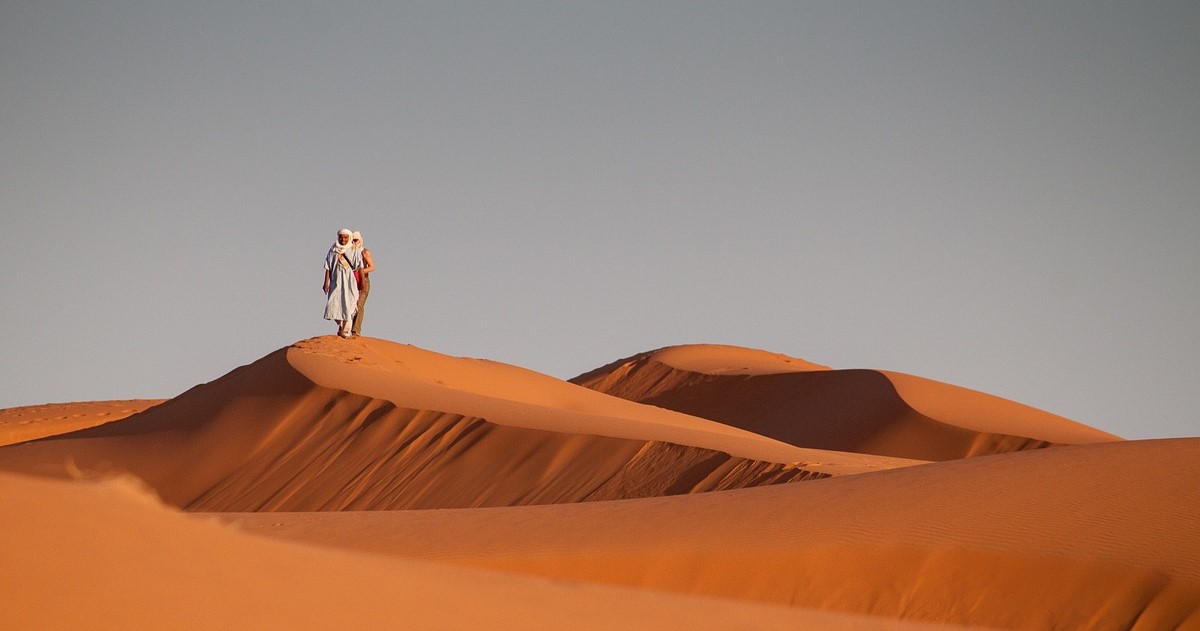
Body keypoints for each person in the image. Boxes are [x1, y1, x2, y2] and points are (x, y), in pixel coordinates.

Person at [323, 228, 361, 338]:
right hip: (336, 282)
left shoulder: (354, 250)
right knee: (334, 303)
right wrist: (326, 283)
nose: (343, 239)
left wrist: (362, 282)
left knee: (350, 304)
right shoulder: (333, 250)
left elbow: (360, 267)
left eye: (345, 237)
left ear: (349, 238)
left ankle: (346, 331)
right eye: (341, 237)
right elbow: (328, 267)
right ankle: (341, 325)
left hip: (350, 281)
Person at [351, 231, 374, 337]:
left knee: (359, 305)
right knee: (350, 305)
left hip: (363, 280)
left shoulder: (364, 252)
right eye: (352, 240)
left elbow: (372, 267)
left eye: (355, 240)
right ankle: (346, 328)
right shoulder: (349, 252)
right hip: (351, 282)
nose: (354, 242)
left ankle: (355, 330)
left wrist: (360, 271)